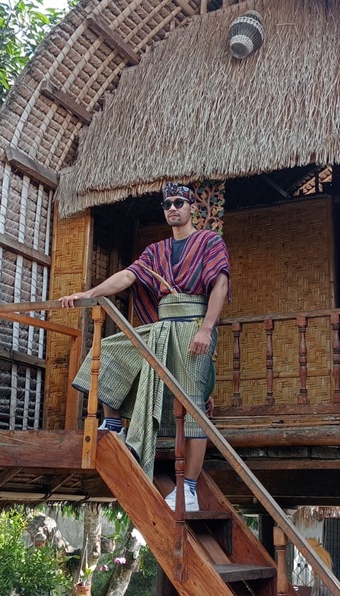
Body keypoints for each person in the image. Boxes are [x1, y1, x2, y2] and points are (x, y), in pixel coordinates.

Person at [61, 183, 230, 512]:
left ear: (192, 207)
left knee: (193, 408)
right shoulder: (157, 251)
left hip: (194, 325)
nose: (172, 208)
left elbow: (220, 284)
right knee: (110, 350)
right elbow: (128, 276)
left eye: (178, 202)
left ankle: (190, 490)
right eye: (167, 204)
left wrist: (207, 328)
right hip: (162, 327)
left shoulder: (211, 241)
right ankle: (113, 424)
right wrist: (89, 294)